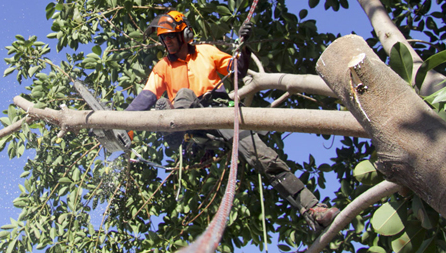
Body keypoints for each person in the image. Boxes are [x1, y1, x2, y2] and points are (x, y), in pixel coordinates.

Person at [125, 10, 339, 231]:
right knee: (182, 96)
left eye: (170, 36)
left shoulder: (206, 52)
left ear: (185, 34)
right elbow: (146, 97)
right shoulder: (162, 67)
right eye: (163, 38)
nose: (167, 41)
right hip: (187, 123)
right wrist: (124, 128)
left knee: (263, 156)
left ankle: (312, 209)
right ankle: (178, 132)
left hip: (219, 115)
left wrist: (245, 47)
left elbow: (236, 69)